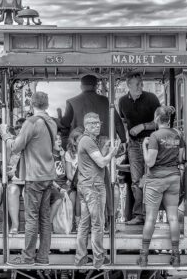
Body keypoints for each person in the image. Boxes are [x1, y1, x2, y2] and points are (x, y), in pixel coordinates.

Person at [60, 74, 126, 227]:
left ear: (81, 85)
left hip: (81, 145)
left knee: (85, 188)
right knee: (108, 184)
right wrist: (123, 140)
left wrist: (66, 144)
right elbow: (117, 123)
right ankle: (109, 221)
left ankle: (83, 224)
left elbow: (64, 124)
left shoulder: (72, 102)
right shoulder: (106, 101)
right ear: (96, 85)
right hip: (104, 145)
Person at [0, 92, 57, 266]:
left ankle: (27, 258)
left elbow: (16, 147)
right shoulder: (52, 123)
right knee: (45, 219)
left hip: (35, 175)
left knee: (32, 218)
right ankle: (43, 258)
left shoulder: (31, 122)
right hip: (48, 174)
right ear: (46, 105)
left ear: (32, 104)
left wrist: (5, 135)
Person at [138, 106, 185, 267]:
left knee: (150, 218)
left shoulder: (154, 136)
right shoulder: (178, 134)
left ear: (157, 119)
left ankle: (143, 257)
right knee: (173, 218)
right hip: (173, 178)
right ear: (169, 119)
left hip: (156, 180)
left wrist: (144, 146)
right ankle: (176, 256)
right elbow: (180, 158)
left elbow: (150, 162)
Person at [74, 112, 118, 269]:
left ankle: (80, 258)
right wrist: (112, 153)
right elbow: (101, 163)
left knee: (84, 224)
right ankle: (98, 259)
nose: (97, 125)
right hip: (94, 187)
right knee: (97, 224)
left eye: (98, 123)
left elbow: (96, 161)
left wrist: (105, 151)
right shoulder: (88, 141)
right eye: (92, 123)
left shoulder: (87, 140)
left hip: (86, 186)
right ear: (86, 126)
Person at [118, 72, 161, 225]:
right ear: (128, 85)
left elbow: (160, 123)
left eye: (141, 83)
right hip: (134, 145)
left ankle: (151, 214)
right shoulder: (122, 101)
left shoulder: (152, 98)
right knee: (136, 180)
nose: (141, 86)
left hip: (151, 143)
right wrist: (125, 140)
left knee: (151, 178)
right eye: (137, 84)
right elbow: (123, 123)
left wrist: (142, 126)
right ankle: (139, 215)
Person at [7, 117, 27, 235]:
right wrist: (9, 172)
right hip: (15, 179)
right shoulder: (11, 143)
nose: (19, 130)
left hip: (30, 179)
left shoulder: (31, 143)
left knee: (28, 192)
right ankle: (15, 225)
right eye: (17, 128)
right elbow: (4, 164)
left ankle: (29, 226)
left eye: (22, 128)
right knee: (12, 190)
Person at [65, 127, 84, 230]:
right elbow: (68, 174)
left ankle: (79, 223)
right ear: (75, 142)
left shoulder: (85, 152)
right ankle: (75, 223)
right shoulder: (69, 154)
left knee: (79, 194)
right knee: (75, 194)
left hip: (84, 183)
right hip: (74, 182)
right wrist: (76, 182)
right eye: (79, 140)